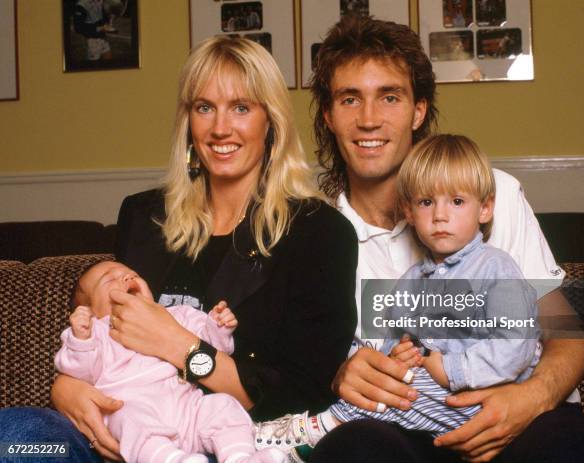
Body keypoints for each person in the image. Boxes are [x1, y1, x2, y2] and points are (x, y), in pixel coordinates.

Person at [0, 36, 358, 463]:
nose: (220, 128)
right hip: (124, 436)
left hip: (233, 444)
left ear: (271, 121)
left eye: (241, 107)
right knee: (15, 438)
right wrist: (67, 389)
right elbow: (103, 338)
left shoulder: (320, 233)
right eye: (204, 107)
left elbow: (300, 395)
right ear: (189, 120)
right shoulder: (144, 215)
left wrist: (181, 346)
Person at [305, 14, 584, 463]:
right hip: (405, 428)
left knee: (569, 447)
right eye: (351, 99)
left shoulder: (493, 193)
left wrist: (532, 399)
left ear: (419, 110)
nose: (369, 119)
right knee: (352, 450)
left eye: (389, 97)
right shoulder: (317, 233)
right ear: (329, 116)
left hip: (519, 421)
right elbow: (299, 363)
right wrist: (337, 376)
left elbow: (568, 335)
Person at [254, 134, 541, 455]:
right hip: (429, 411)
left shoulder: (496, 268)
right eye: (426, 202)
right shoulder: (413, 280)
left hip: (482, 397)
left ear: (485, 208)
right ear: (409, 210)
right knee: (391, 385)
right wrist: (396, 355)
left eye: (457, 202)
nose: (440, 215)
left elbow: (516, 345)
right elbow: (392, 339)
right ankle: (304, 447)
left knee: (408, 387)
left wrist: (450, 368)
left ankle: (319, 428)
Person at [55, 260, 284, 463]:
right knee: (129, 420)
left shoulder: (176, 315)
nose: (126, 277)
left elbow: (214, 350)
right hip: (134, 412)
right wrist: (81, 339)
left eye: (131, 272)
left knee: (222, 405)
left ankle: (240, 457)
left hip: (187, 412)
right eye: (110, 280)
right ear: (90, 311)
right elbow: (81, 372)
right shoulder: (96, 332)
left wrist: (217, 327)